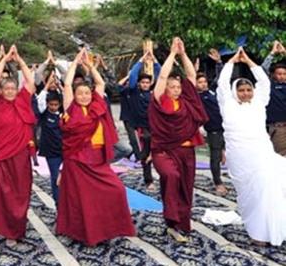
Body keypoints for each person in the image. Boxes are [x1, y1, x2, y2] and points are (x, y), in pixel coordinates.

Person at [57, 48, 136, 246]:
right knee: (81, 199)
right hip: (78, 159)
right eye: (80, 93)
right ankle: (81, 234)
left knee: (115, 189)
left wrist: (90, 66)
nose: (84, 96)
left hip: (98, 159)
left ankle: (108, 230)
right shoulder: (70, 108)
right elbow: (67, 83)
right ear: (74, 95)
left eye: (86, 93)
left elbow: (100, 83)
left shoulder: (97, 105)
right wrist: (75, 63)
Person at [216, 47, 286, 246]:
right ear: (235, 92)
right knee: (249, 194)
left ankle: (269, 230)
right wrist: (231, 62)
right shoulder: (227, 103)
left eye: (248, 90)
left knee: (267, 189)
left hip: (261, 153)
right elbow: (222, 83)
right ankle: (256, 230)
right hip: (239, 156)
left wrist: (247, 61)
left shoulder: (259, 102)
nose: (246, 93)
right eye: (241, 90)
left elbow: (263, 82)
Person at [148, 37, 208, 243]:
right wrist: (172, 54)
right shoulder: (159, 101)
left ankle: (177, 225)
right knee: (171, 176)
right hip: (163, 151)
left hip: (186, 152)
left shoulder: (186, 101)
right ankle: (172, 220)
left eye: (177, 87)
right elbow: (163, 76)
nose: (175, 89)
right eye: (172, 86)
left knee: (185, 187)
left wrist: (183, 54)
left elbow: (191, 74)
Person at [0, 45, 37, 246]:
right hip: (0, 156)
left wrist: (20, 60)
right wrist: (4, 59)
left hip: (20, 157)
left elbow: (30, 80)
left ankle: (14, 231)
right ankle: (0, 224)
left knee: (19, 194)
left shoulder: (23, 100)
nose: (9, 91)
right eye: (6, 88)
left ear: (16, 89)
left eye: (12, 88)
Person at [120, 51, 161, 191]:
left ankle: (153, 175)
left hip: (151, 127)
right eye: (143, 82)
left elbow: (161, 76)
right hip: (138, 128)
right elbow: (132, 76)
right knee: (143, 156)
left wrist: (155, 62)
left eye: (147, 82)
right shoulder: (133, 91)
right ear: (139, 84)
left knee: (153, 153)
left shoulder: (153, 94)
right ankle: (148, 180)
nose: (145, 84)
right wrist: (141, 61)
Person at [195, 48, 228, 196]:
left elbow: (220, 78)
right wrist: (193, 71)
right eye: (199, 82)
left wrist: (219, 62)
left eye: (204, 81)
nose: (203, 84)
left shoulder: (212, 91)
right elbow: (187, 86)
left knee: (226, 154)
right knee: (215, 156)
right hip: (213, 129)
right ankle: (218, 182)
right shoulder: (196, 96)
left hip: (227, 127)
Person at [36, 74, 63, 203]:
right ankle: (58, 203)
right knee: (55, 177)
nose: (53, 107)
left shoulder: (63, 115)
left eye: (56, 105)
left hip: (65, 150)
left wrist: (61, 87)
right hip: (51, 153)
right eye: (51, 104)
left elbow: (71, 101)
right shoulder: (44, 114)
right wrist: (46, 86)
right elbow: (40, 101)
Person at [261, 40, 286, 156]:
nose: (281, 76)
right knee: (280, 157)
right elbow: (262, 70)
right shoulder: (270, 85)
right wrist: (272, 53)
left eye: (284, 74)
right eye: (279, 73)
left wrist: (284, 52)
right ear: (274, 75)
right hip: (277, 128)